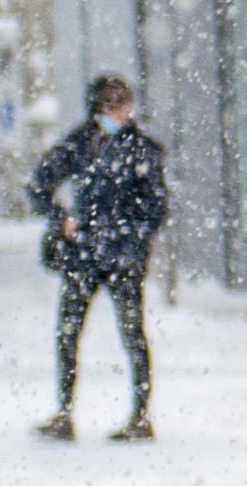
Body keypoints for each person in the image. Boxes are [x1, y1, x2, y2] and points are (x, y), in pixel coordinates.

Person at [29, 74, 167, 442]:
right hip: (87, 254)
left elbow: (156, 207)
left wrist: (130, 239)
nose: (119, 111)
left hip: (118, 256)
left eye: (123, 103)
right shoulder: (81, 143)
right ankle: (65, 412)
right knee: (69, 333)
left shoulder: (141, 150)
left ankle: (139, 414)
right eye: (111, 104)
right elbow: (39, 183)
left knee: (130, 334)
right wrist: (63, 220)